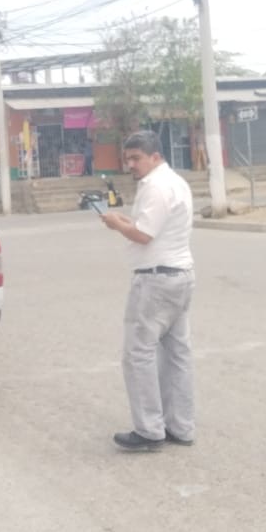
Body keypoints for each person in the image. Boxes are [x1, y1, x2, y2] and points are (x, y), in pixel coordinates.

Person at [99, 130, 197, 451]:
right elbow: (150, 226)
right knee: (177, 353)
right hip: (180, 275)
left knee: (138, 354)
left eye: (136, 158)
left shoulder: (156, 186)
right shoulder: (176, 182)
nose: (131, 164)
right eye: (127, 159)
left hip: (156, 280)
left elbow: (143, 235)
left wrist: (116, 224)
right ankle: (180, 426)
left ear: (155, 156)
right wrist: (124, 220)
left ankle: (149, 430)